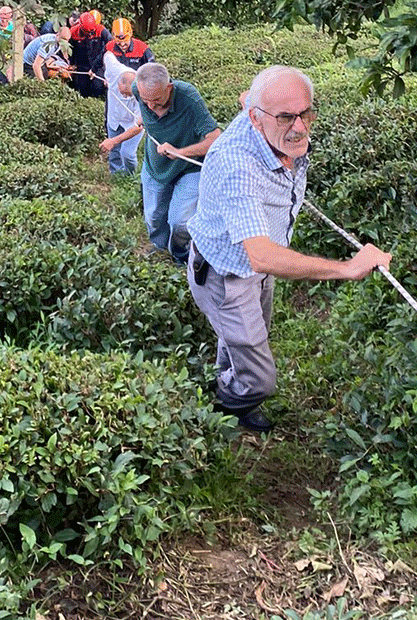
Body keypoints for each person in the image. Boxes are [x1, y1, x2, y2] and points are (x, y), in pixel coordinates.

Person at [186, 66, 392, 433]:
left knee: (247, 339)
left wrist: (270, 106)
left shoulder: (261, 115)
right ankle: (228, 404)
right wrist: (347, 268)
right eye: (285, 117)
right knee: (261, 376)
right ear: (256, 118)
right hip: (225, 272)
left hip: (256, 268)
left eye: (305, 113)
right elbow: (261, 255)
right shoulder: (238, 166)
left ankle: (229, 380)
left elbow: (248, 99)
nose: (299, 127)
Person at [132, 62, 220, 264]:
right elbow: (128, 83)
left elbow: (215, 138)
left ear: (169, 88)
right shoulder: (138, 89)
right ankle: (159, 247)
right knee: (153, 217)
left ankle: (180, 257)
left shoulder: (188, 98)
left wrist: (180, 152)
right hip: (156, 167)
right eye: (146, 102)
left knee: (180, 222)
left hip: (189, 167)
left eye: (156, 100)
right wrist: (142, 116)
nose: (151, 106)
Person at [98, 53, 141, 174]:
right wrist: (103, 73)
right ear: (119, 82)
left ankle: (130, 176)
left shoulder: (142, 92)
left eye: (129, 94)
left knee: (127, 153)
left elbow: (137, 127)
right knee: (114, 152)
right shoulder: (114, 69)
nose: (126, 96)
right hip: (114, 117)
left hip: (132, 123)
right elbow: (107, 54)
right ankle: (116, 174)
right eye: (124, 92)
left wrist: (113, 141)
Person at [69, 11, 110, 98]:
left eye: (92, 32)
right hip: (81, 64)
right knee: (81, 90)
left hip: (97, 63)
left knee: (98, 87)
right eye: (88, 32)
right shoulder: (73, 32)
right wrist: (71, 64)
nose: (90, 35)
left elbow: (111, 43)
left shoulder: (101, 30)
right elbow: (69, 49)